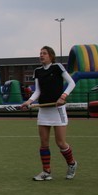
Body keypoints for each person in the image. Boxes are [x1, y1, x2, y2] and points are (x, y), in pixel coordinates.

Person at [21, 45, 78, 181]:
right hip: (44, 111)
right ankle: (46, 171)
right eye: (40, 53)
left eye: (44, 53)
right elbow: (38, 91)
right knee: (44, 143)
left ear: (51, 56)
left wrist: (63, 96)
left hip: (58, 110)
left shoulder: (57, 67)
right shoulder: (37, 71)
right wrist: (29, 101)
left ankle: (72, 164)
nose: (41, 55)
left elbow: (72, 83)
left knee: (60, 143)